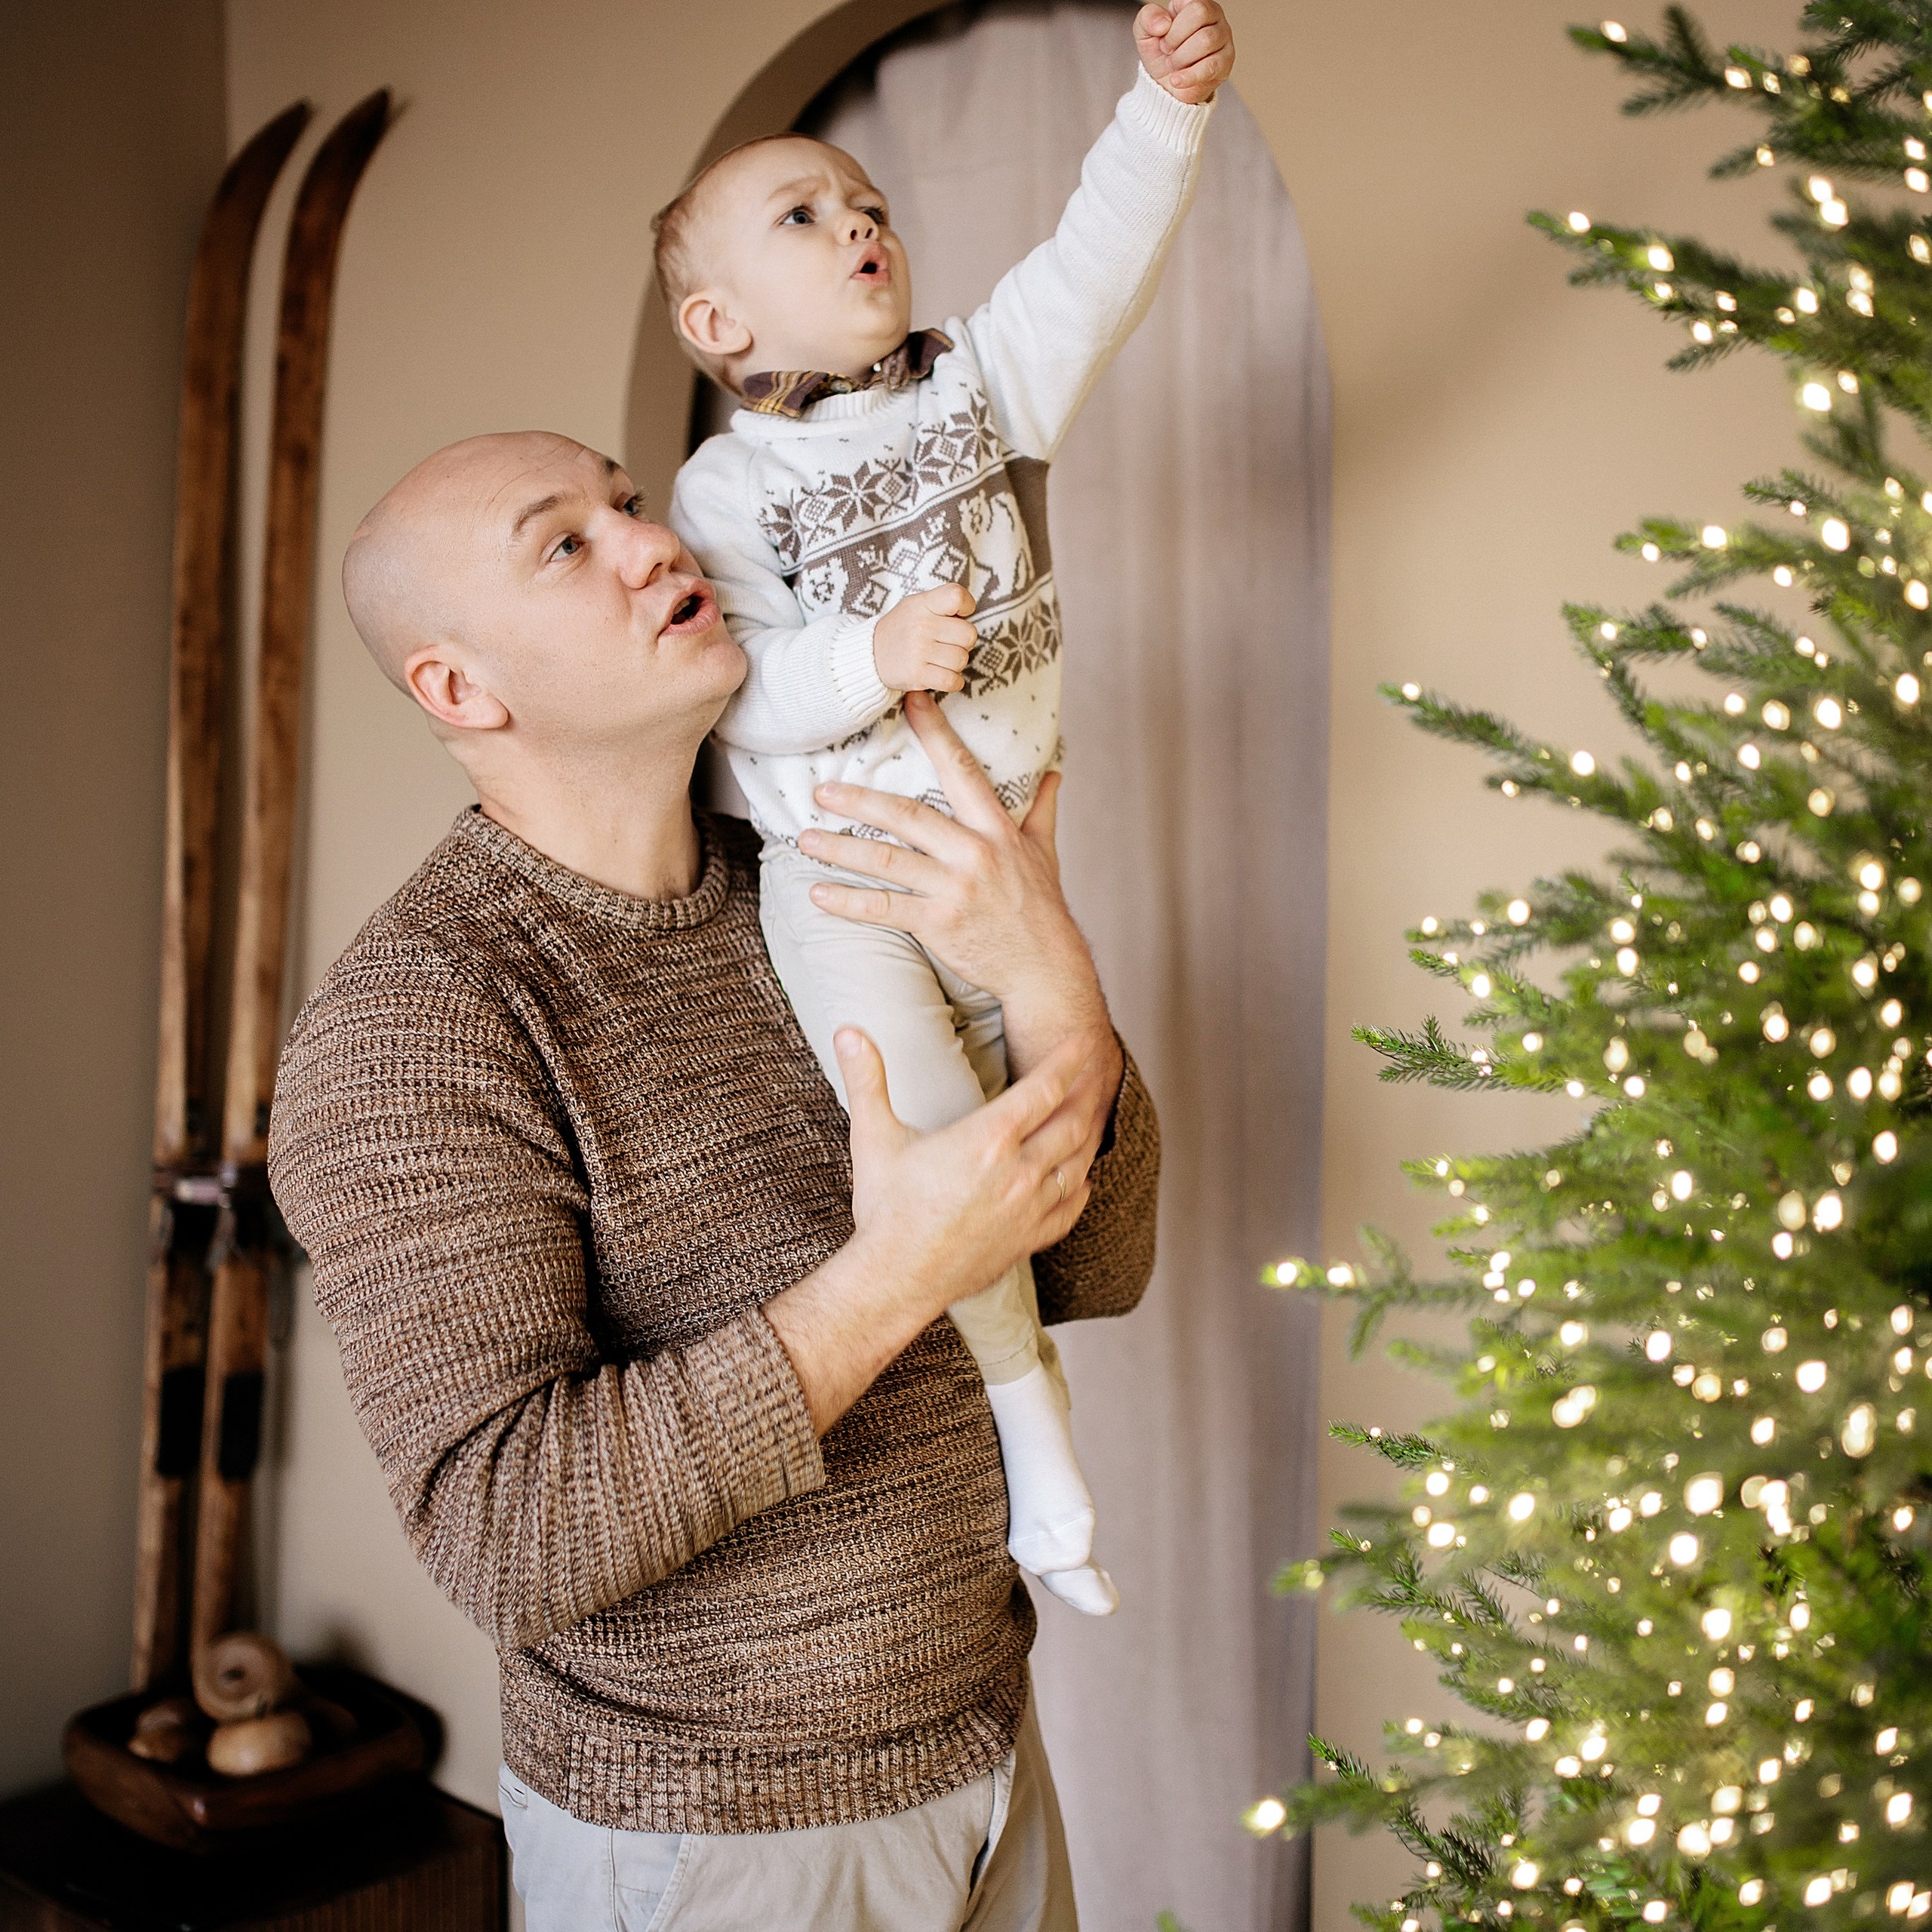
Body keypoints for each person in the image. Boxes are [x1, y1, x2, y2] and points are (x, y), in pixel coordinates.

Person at [266, 428, 1161, 1930]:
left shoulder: (818, 873)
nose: (648, 540)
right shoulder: (420, 1026)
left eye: (624, 500)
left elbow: (1094, 1264)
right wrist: (893, 1275)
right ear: (458, 688)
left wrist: (1047, 973)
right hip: (715, 1844)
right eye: (564, 543)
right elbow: (509, 1528)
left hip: (989, 1751)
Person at [659, 0, 1232, 1618]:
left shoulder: (975, 387)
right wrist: (867, 651)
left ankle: (1037, 1405)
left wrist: (1162, 109)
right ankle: (1027, 1419)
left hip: (997, 857)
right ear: (716, 317)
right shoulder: (724, 489)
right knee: (918, 1140)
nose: (857, 226)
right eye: (803, 215)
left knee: (1053, 1134)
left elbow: (1089, 265)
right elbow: (739, 691)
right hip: (838, 871)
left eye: (869, 207)